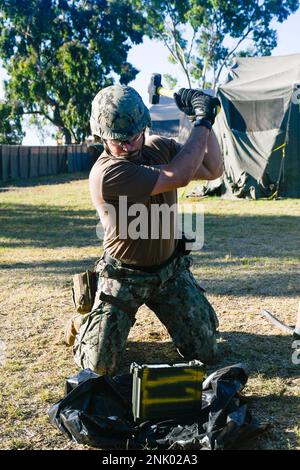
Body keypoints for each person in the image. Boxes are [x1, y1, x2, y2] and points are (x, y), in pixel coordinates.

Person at [71, 84, 223, 375]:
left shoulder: (158, 147)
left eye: (133, 137)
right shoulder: (108, 172)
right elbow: (179, 175)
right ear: (102, 137)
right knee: (98, 366)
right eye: (118, 141)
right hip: (125, 276)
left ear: (144, 128)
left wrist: (204, 117)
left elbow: (213, 169)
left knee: (207, 351)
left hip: (169, 271)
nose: (127, 146)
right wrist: (202, 121)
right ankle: (85, 325)